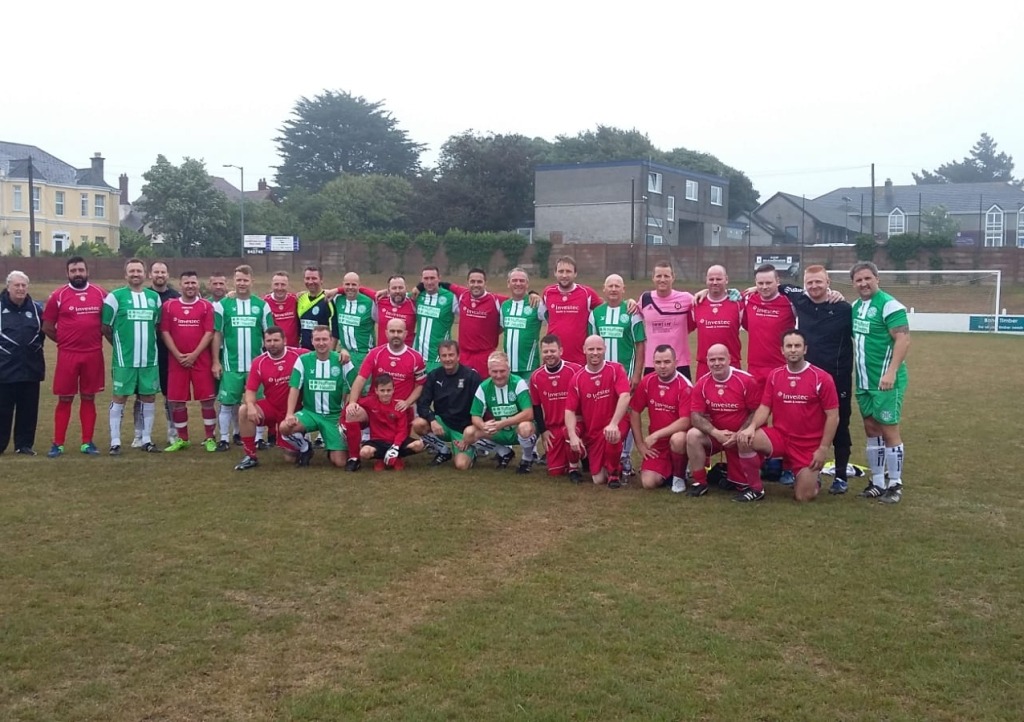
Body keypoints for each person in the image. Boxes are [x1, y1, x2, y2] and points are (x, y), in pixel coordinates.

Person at [737, 330, 839, 503]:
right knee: (744, 439)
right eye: (789, 346)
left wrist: (822, 449)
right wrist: (751, 427)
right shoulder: (775, 375)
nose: (793, 350)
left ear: (805, 349)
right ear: (782, 351)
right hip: (781, 437)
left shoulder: (822, 378)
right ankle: (756, 488)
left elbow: (833, 417)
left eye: (797, 346)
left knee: (804, 497)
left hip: (807, 444)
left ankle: (812, 479)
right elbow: (764, 407)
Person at [778, 265, 854, 494]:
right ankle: (799, 468)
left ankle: (840, 476)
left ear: (828, 281)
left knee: (839, 424)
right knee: (803, 421)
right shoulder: (800, 299)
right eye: (809, 282)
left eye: (818, 282)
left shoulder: (843, 308)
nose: (814, 286)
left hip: (837, 376)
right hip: (806, 375)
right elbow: (777, 286)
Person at [850, 261, 910, 504]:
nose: (863, 283)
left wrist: (891, 372)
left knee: (889, 430)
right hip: (864, 382)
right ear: (853, 283)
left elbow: (903, 339)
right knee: (871, 429)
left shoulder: (890, 305)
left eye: (867, 278)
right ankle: (876, 482)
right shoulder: (855, 306)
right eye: (859, 280)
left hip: (886, 382)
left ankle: (895, 484)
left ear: (877, 279)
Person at [42, 257, 106, 457]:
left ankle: (87, 442)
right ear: (67, 273)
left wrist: (95, 336)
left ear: (87, 271)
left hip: (93, 354)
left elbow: (108, 322)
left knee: (89, 397)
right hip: (67, 355)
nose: (77, 273)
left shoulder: (100, 294)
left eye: (80, 270)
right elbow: (47, 327)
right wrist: (64, 342)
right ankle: (58, 443)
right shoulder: (58, 295)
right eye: (73, 270)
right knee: (65, 398)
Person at [345, 318, 426, 471]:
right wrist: (352, 402)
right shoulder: (375, 353)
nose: (396, 334)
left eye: (399, 331)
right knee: (351, 414)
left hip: (400, 410)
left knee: (405, 434)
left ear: (406, 334)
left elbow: (420, 384)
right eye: (393, 331)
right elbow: (361, 379)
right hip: (375, 408)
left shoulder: (415, 357)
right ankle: (354, 457)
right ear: (386, 333)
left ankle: (392, 454)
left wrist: (407, 402)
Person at [101, 258, 162, 454]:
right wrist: (121, 346)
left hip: (149, 360)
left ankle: (146, 439)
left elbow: (157, 325)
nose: (135, 274)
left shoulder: (154, 298)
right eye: (132, 271)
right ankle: (115, 441)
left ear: (145, 274)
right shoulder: (115, 297)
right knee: (120, 398)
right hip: (124, 360)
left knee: (149, 397)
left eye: (139, 271)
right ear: (125, 274)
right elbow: (106, 327)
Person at [686, 344, 763, 498]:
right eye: (712, 360)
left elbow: (757, 412)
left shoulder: (746, 380)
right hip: (717, 436)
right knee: (692, 435)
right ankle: (700, 482)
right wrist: (716, 433)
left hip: (740, 437)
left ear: (729, 359)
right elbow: (695, 416)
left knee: (742, 485)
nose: (717, 363)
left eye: (721, 359)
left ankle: (750, 481)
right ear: (707, 361)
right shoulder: (702, 383)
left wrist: (740, 432)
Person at [589, 273, 646, 475]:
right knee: (604, 412)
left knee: (627, 415)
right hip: (602, 376)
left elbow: (640, 345)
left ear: (623, 290)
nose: (613, 289)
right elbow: (591, 345)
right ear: (604, 289)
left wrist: (637, 374)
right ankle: (603, 453)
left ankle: (625, 456)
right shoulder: (596, 313)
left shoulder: (632, 312)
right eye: (610, 286)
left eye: (617, 286)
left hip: (626, 376)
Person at [211, 265, 272, 452]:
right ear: (233, 281)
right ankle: (224, 438)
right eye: (239, 280)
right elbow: (217, 334)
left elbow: (269, 334)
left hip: (256, 367)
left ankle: (259, 438)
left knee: (258, 403)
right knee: (227, 403)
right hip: (231, 365)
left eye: (245, 280)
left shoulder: (262, 305)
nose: (242, 283)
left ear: (251, 281)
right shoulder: (223, 305)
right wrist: (216, 361)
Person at [233, 326, 307, 470]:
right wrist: (250, 405)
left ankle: (301, 439)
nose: (272, 344)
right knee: (243, 410)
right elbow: (250, 390)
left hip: (296, 411)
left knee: (290, 458)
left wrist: (342, 352)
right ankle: (250, 455)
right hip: (272, 407)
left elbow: (323, 354)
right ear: (264, 342)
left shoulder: (299, 355)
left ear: (284, 341)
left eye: (276, 340)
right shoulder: (259, 362)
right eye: (269, 340)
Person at [278, 325, 352, 468]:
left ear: (331, 341)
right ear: (311, 341)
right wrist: (289, 414)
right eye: (317, 339)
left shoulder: (342, 360)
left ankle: (332, 447)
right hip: (310, 413)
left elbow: (355, 385)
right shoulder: (303, 360)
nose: (321, 343)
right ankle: (305, 446)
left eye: (325, 339)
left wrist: (348, 408)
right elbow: (294, 387)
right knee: (284, 427)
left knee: (340, 462)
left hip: (334, 416)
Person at [159, 271, 217, 452]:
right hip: (177, 361)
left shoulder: (206, 306)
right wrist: (177, 354)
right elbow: (165, 332)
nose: (190, 286)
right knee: (177, 401)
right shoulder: (169, 306)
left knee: (207, 400)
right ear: (180, 284)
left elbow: (209, 333)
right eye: (187, 283)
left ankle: (210, 437)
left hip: (201, 360)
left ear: (198, 285)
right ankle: (182, 438)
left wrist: (194, 355)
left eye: (193, 282)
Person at [565, 335, 632, 488]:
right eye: (591, 349)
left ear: (605, 350)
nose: (595, 353)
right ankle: (611, 463)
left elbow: (625, 395)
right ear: (584, 350)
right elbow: (569, 410)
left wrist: (614, 423)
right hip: (594, 431)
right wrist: (573, 435)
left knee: (613, 434)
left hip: (614, 423)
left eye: (599, 349)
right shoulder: (577, 378)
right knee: (597, 478)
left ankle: (614, 474)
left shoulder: (615, 369)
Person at [628, 345, 692, 491]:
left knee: (678, 439)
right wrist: (640, 444)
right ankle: (667, 471)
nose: (662, 366)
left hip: (677, 440)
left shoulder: (685, 386)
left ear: (676, 362)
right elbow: (634, 411)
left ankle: (679, 476)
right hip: (658, 446)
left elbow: (685, 421)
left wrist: (656, 434)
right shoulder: (647, 382)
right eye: (658, 362)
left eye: (667, 362)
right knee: (648, 483)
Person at [413, 339, 482, 470]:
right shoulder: (434, 376)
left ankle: (472, 450)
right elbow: (422, 403)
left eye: (451, 355)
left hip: (463, 428)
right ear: (440, 357)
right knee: (418, 424)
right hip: (442, 424)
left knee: (461, 465)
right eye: (444, 356)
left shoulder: (471, 376)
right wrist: (432, 420)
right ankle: (443, 450)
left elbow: (481, 407)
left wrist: (469, 436)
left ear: (458, 356)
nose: (448, 359)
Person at [463, 351, 536, 473]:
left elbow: (528, 413)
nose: (498, 375)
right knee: (468, 433)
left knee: (525, 427)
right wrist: (483, 426)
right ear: (489, 371)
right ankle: (504, 452)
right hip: (498, 431)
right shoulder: (484, 387)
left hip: (516, 430)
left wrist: (502, 424)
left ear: (509, 369)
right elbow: (475, 416)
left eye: (502, 371)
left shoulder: (518, 383)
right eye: (494, 371)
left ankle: (527, 458)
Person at [0, 271, 44, 455]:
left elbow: (44, 332)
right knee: (3, 411)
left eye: (23, 285)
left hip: (31, 369)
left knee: (28, 410)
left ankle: (24, 445)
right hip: (4, 370)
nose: (20, 289)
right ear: (8, 286)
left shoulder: (35, 309)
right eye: (16, 285)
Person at [529, 335, 583, 482]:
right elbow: (536, 406)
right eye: (545, 352)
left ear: (561, 351)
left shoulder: (575, 370)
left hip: (575, 424)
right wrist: (543, 430)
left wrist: (583, 417)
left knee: (569, 433)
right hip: (553, 428)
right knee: (555, 472)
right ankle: (573, 457)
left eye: (553, 351)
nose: (549, 355)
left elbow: (586, 397)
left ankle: (575, 466)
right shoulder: (536, 377)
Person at [348, 373, 425, 470]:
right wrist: (347, 412)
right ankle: (381, 459)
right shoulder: (370, 402)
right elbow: (353, 404)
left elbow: (402, 430)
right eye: (382, 390)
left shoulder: (399, 406)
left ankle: (396, 457)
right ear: (376, 391)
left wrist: (395, 447)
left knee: (419, 445)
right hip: (378, 441)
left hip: (396, 441)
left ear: (393, 390)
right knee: (364, 452)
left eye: (388, 390)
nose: (385, 393)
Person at [542, 256, 603, 366]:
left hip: (579, 358)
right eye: (561, 271)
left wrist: (629, 302)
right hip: (553, 357)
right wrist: (532, 294)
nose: (564, 275)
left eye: (568, 271)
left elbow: (606, 309)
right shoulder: (548, 292)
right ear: (555, 273)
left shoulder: (587, 293)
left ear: (575, 274)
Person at [743, 263, 796, 389]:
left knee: (782, 408)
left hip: (782, 367)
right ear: (755, 283)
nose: (764, 287)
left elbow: (813, 295)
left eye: (768, 283)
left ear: (777, 281)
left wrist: (830, 292)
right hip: (755, 369)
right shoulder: (748, 299)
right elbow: (722, 294)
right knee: (756, 408)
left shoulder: (790, 302)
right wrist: (706, 290)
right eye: (760, 283)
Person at [639, 261, 695, 379]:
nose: (662, 279)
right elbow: (632, 311)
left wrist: (706, 291)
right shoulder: (645, 298)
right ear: (653, 278)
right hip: (652, 363)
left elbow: (706, 300)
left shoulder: (686, 298)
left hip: (680, 363)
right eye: (659, 276)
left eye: (666, 276)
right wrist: (630, 302)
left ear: (673, 277)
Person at [691, 264, 743, 379]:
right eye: (711, 279)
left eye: (719, 279)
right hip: (705, 365)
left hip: (731, 364)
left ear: (726, 280)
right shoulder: (696, 303)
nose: (715, 282)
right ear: (706, 281)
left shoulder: (738, 303)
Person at [453, 268, 505, 377]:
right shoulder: (462, 295)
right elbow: (444, 285)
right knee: (464, 390)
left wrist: (533, 294)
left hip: (485, 356)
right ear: (467, 283)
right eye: (472, 281)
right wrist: (419, 288)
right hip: (464, 355)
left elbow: (518, 299)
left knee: (484, 390)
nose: (476, 285)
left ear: (485, 283)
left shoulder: (496, 300)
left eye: (479, 281)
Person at [501, 267, 547, 378]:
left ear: (527, 284)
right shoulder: (505, 306)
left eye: (522, 281)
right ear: (508, 283)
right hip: (507, 368)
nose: (518, 283)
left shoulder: (536, 304)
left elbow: (553, 323)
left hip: (529, 368)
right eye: (514, 280)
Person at [331, 271, 377, 383]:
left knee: (363, 391)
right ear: (342, 285)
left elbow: (381, 324)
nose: (350, 287)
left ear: (359, 286)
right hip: (344, 355)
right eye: (347, 284)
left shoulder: (370, 303)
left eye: (354, 284)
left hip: (364, 355)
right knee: (345, 390)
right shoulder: (337, 299)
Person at [413, 265, 458, 372]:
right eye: (426, 278)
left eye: (432, 278)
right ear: (421, 280)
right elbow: (396, 295)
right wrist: (384, 292)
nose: (429, 282)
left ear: (439, 278)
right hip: (418, 355)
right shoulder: (417, 296)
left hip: (440, 357)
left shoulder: (450, 297)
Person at [296, 265, 334, 351]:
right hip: (304, 350)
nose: (310, 281)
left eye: (314, 278)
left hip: (322, 351)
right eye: (307, 278)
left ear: (321, 280)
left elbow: (333, 330)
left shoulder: (328, 299)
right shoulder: (300, 298)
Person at [264, 271, 300, 347]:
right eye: (276, 284)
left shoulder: (295, 300)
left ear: (288, 285)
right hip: (273, 349)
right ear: (272, 285)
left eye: (283, 285)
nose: (279, 288)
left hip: (293, 348)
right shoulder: (264, 302)